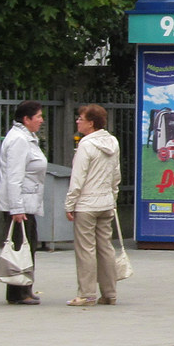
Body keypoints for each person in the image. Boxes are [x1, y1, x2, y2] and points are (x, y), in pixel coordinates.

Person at [65, 104, 122, 307]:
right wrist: (112, 198)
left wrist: (70, 204)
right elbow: (116, 175)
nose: (77, 121)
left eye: (81, 118)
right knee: (106, 248)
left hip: (87, 205)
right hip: (106, 203)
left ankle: (87, 294)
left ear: (91, 123)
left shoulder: (86, 145)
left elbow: (78, 178)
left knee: (85, 249)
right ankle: (109, 293)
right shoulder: (112, 142)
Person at [0, 99, 47, 305]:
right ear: (26, 119)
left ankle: (24, 287)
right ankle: (19, 292)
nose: (41, 120)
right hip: (20, 205)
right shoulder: (19, 140)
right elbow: (13, 176)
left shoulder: (27, 137)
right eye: (39, 117)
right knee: (21, 246)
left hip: (27, 202)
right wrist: (16, 208)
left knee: (28, 245)